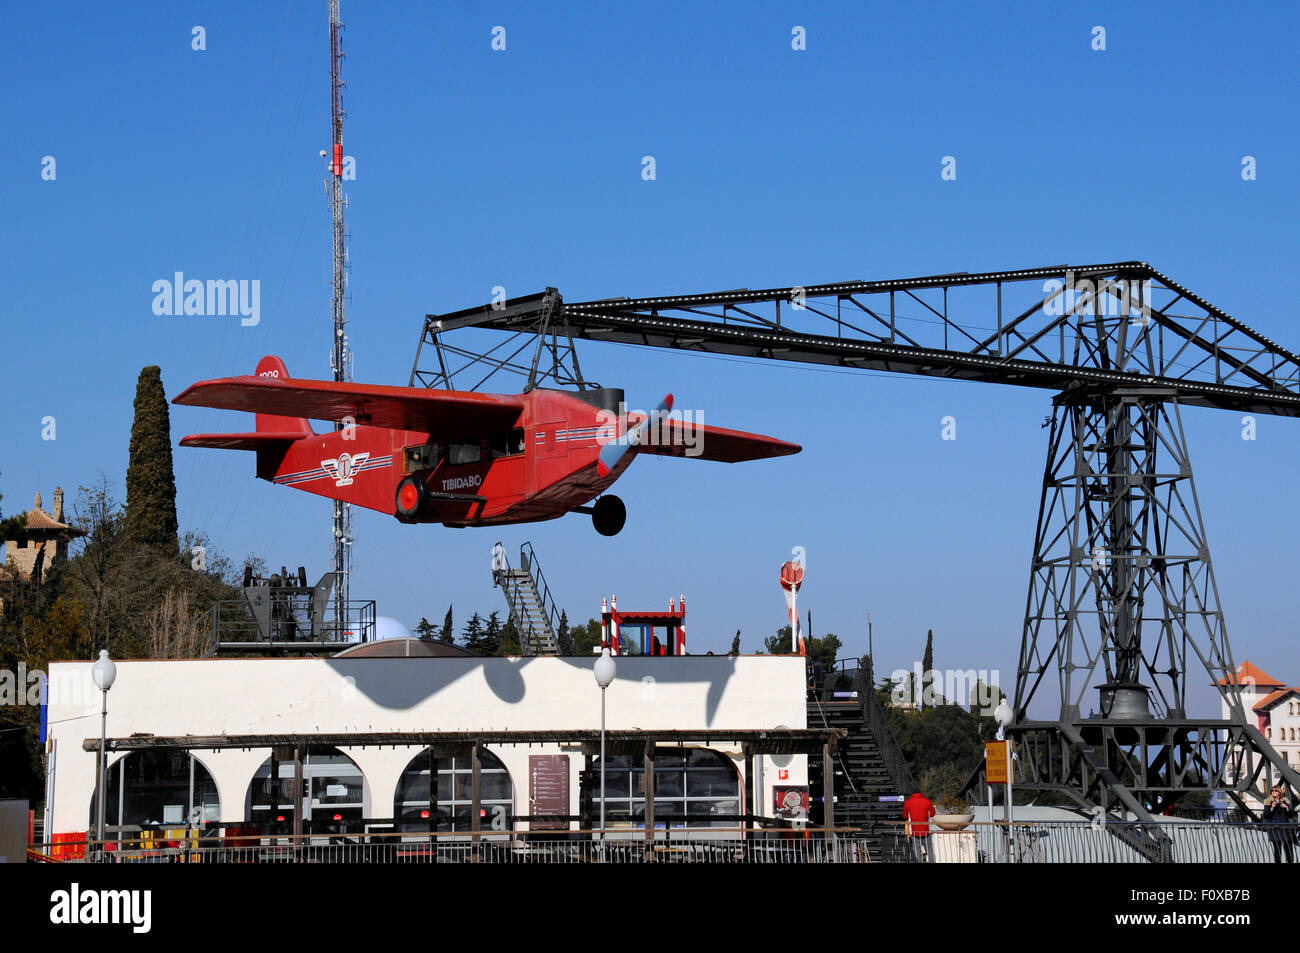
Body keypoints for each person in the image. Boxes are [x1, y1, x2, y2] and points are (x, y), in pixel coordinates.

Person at [1262, 783, 1295, 863]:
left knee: (1289, 850)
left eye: (1276, 790)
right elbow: (1265, 815)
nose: (1273, 792)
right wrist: (1272, 807)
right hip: (1275, 829)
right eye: (1272, 790)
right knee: (1277, 851)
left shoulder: (1285, 801)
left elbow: (1291, 815)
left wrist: (1286, 808)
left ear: (1279, 792)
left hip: (1285, 830)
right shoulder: (1268, 802)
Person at [902, 790, 936, 863]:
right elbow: (933, 814)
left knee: (917, 849)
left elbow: (904, 815)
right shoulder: (927, 801)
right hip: (926, 829)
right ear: (920, 793)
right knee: (929, 848)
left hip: (914, 830)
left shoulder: (908, 802)